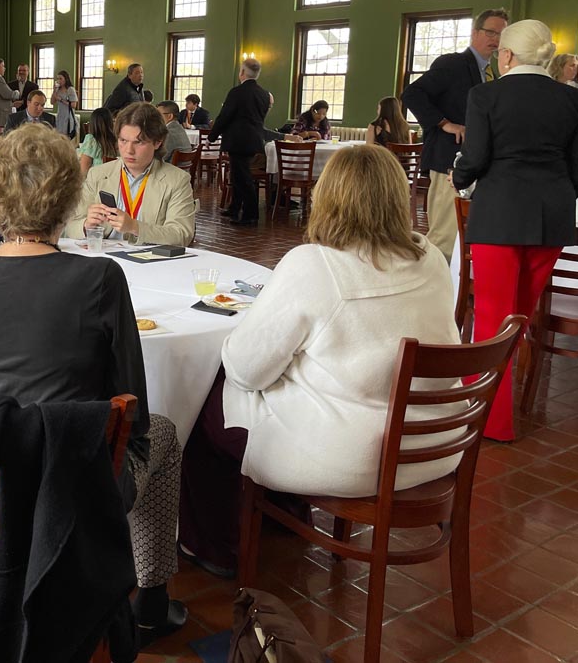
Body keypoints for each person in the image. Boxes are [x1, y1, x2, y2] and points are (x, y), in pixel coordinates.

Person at [0, 124, 188, 646]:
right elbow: (132, 405)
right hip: (76, 484)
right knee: (164, 434)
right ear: (68, 196)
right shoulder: (100, 278)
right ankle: (151, 598)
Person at [178, 145, 462, 576]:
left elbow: (245, 369)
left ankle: (217, 546)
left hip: (357, 458)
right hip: (435, 446)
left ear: (327, 196)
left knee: (207, 400)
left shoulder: (316, 265)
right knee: (292, 382)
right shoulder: (430, 258)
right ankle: (284, 514)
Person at [452, 19, 578, 442]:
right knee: (519, 314)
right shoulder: (570, 98)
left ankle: (490, 420)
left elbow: (474, 158)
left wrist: (458, 177)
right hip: (553, 216)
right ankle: (486, 398)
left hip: (500, 214)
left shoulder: (486, 95)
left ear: (506, 55)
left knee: (492, 315)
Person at [402, 8, 509, 262]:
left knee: (465, 234)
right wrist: (444, 123)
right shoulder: (453, 64)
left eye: (501, 35)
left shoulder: (493, 73)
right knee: (444, 236)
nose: (495, 39)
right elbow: (412, 94)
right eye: (490, 32)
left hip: (476, 163)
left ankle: (455, 283)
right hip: (448, 160)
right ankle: (433, 283)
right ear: (475, 32)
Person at [66, 102, 195, 246]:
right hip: (103, 254)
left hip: (150, 257)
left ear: (158, 142)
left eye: (139, 142)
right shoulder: (98, 174)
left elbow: (181, 234)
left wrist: (135, 227)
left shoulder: (177, 180)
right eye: (123, 140)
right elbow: (70, 225)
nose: (128, 150)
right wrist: (86, 225)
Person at [208, 58, 272, 227]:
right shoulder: (264, 94)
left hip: (238, 141)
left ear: (242, 72)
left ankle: (251, 215)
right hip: (254, 140)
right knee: (238, 175)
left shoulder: (237, 92)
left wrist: (211, 137)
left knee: (243, 178)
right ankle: (234, 207)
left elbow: (224, 116)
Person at [77, 107, 119, 175]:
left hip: (96, 178)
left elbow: (84, 170)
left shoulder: (91, 140)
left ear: (93, 123)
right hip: (112, 178)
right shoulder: (116, 139)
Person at [51, 69, 79, 138]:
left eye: (60, 78)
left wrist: (61, 100)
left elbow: (74, 105)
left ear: (65, 79)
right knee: (58, 137)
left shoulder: (70, 89)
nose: (59, 80)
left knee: (66, 137)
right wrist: (54, 90)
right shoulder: (58, 90)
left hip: (68, 116)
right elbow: (52, 102)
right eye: (57, 79)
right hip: (60, 115)